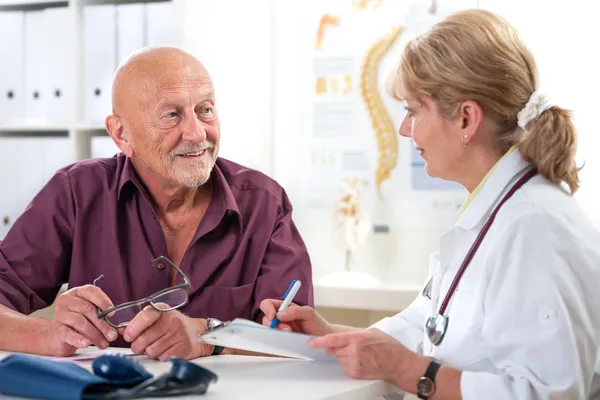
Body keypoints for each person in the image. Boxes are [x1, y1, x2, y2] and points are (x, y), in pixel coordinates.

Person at [261, 9, 600, 400]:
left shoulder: (533, 227)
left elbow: (545, 393)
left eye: (412, 111)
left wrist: (406, 371)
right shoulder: (494, 213)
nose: (405, 129)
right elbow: (429, 325)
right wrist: (330, 337)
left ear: (466, 120)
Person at [0, 46, 313, 361]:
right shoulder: (76, 193)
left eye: (205, 109)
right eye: (171, 114)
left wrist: (208, 336)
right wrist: (48, 335)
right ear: (121, 134)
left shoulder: (264, 203)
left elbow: (294, 338)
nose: (196, 132)